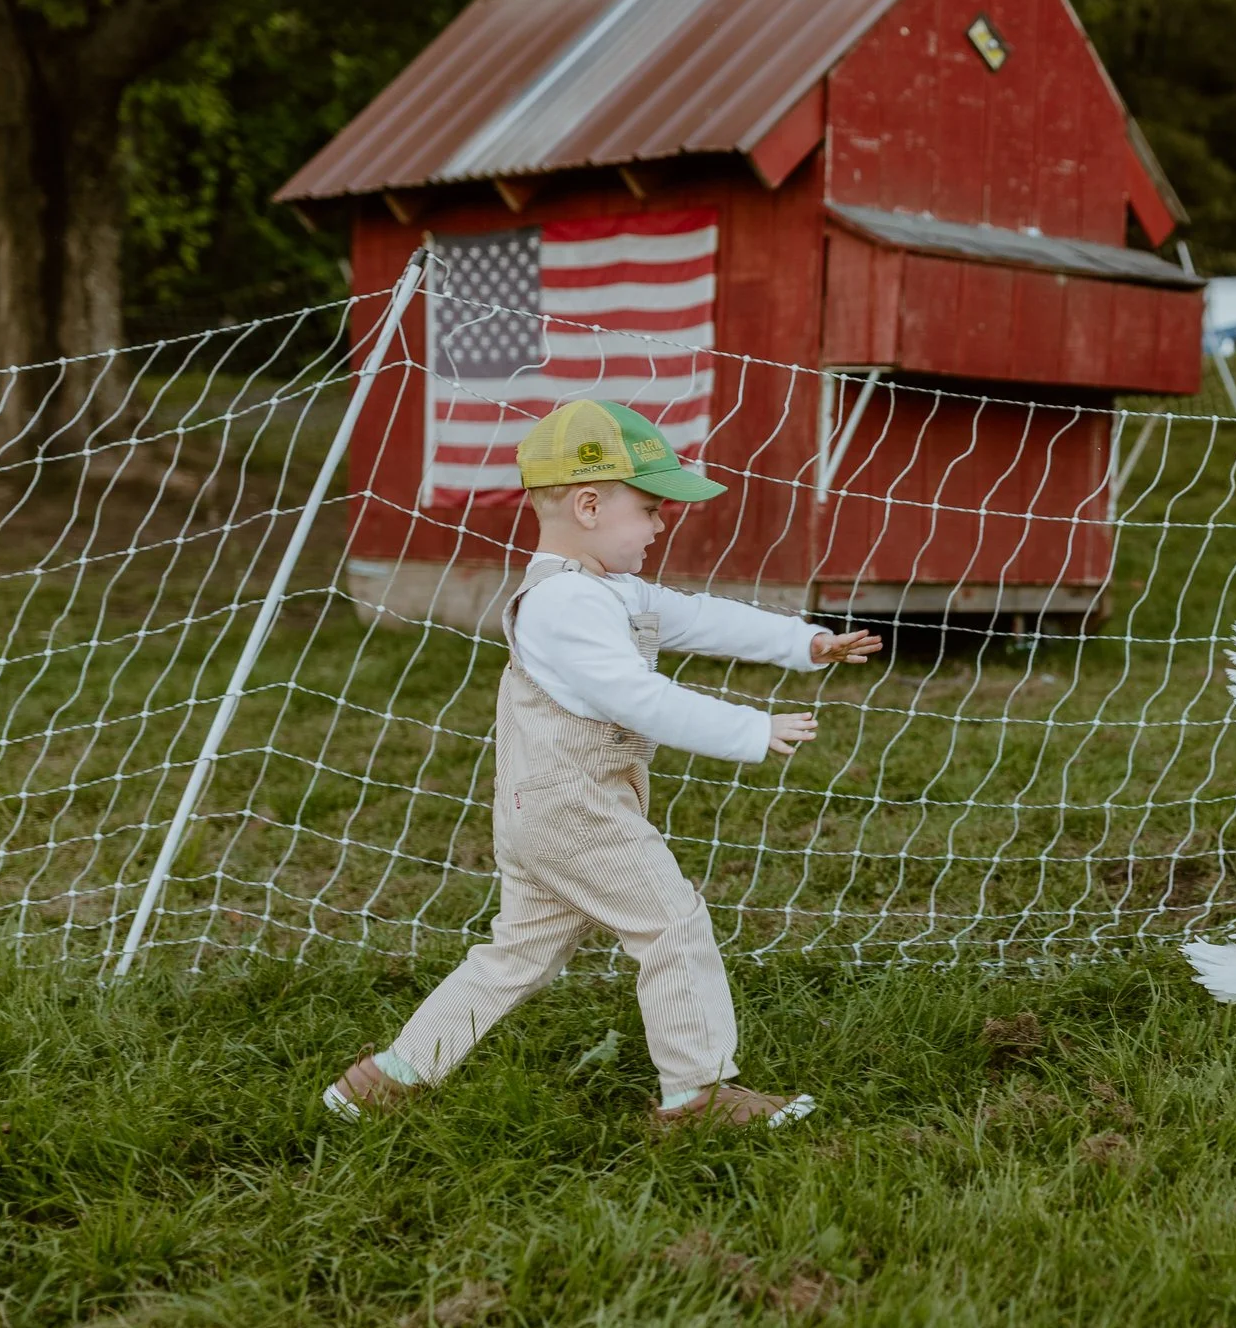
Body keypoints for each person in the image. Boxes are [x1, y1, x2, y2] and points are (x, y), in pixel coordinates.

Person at [322, 399, 882, 1127]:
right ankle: (697, 1094)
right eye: (649, 508)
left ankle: (383, 1080)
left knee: (516, 954)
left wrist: (802, 643)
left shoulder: (612, 590)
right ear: (588, 504)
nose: (659, 524)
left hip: (546, 810)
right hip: (573, 809)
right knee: (671, 922)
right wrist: (749, 727)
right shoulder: (563, 604)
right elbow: (636, 696)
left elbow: (704, 617)